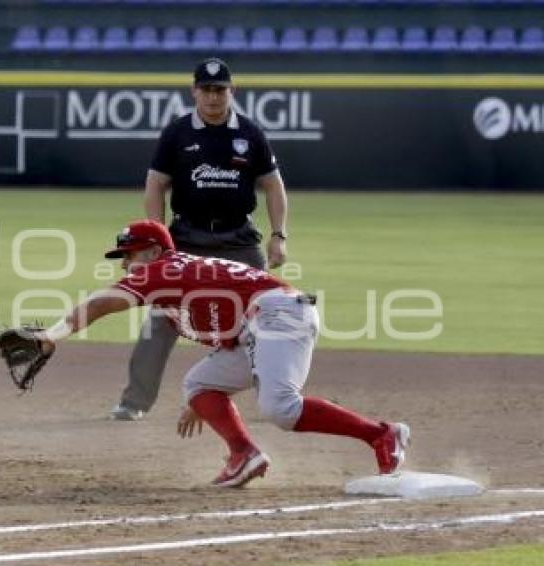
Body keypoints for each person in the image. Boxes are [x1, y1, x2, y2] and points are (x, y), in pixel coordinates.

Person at [37, 219, 410, 487]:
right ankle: (243, 454)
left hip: (277, 313)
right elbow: (228, 337)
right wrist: (207, 400)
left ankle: (382, 434)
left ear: (153, 252)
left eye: (129, 254)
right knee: (199, 384)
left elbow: (100, 304)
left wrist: (51, 336)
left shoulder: (163, 270)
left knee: (280, 409)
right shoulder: (176, 288)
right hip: (260, 322)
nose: (124, 265)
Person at [111, 57, 289, 421]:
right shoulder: (177, 132)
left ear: (232, 91)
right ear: (194, 91)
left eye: (219, 89)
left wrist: (278, 235)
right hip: (186, 239)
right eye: (206, 89)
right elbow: (156, 184)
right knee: (162, 319)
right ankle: (134, 402)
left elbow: (273, 185)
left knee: (266, 316)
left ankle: (276, 397)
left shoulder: (250, 133)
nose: (213, 97)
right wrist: (157, 237)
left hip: (239, 240)